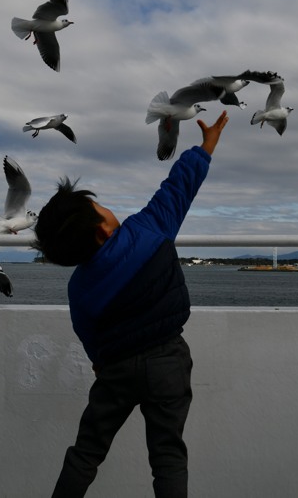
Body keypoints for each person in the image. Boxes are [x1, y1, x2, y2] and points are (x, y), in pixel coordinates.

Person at [34, 110, 230, 498]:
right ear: (104, 226)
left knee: (87, 451)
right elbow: (180, 185)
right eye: (100, 207)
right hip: (167, 361)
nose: (107, 209)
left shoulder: (79, 288)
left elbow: (89, 337)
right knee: (167, 455)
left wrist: (103, 363)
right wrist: (207, 144)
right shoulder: (150, 228)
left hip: (116, 372)